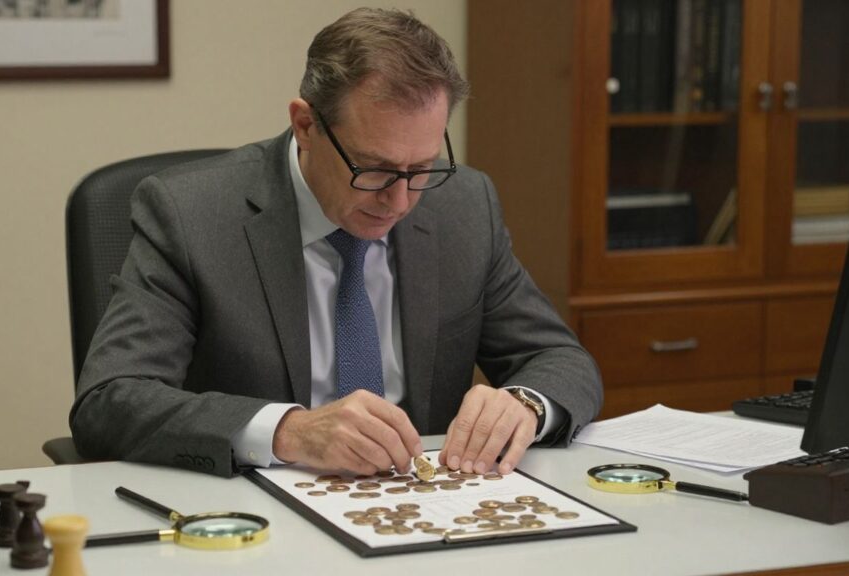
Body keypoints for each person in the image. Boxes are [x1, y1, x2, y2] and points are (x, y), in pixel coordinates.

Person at [70, 7, 602, 479]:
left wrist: (526, 402)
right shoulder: (190, 215)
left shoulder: (463, 206)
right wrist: (289, 432)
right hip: (260, 519)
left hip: (432, 511)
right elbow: (111, 400)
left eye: (421, 169)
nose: (398, 201)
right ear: (305, 125)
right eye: (373, 170)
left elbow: (559, 358)